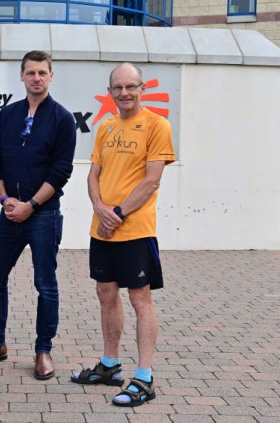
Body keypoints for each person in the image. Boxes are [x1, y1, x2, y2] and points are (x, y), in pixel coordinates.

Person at [0, 50, 76, 380]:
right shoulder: (7, 116)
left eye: (42, 72)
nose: (36, 78)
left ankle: (43, 351)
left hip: (44, 215)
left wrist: (31, 206)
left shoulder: (62, 119)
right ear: (21, 77)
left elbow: (61, 171)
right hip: (10, 213)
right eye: (30, 72)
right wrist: (7, 199)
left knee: (45, 285)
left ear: (51, 76)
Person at [72, 62, 175, 407]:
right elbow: (92, 175)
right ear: (110, 91)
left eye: (131, 86)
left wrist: (115, 214)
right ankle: (110, 366)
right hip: (102, 229)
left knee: (139, 299)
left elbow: (152, 181)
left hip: (135, 230)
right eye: (118, 87)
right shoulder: (105, 127)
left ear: (142, 88)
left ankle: (144, 377)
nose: (124, 93)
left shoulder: (157, 126)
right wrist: (99, 208)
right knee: (105, 293)